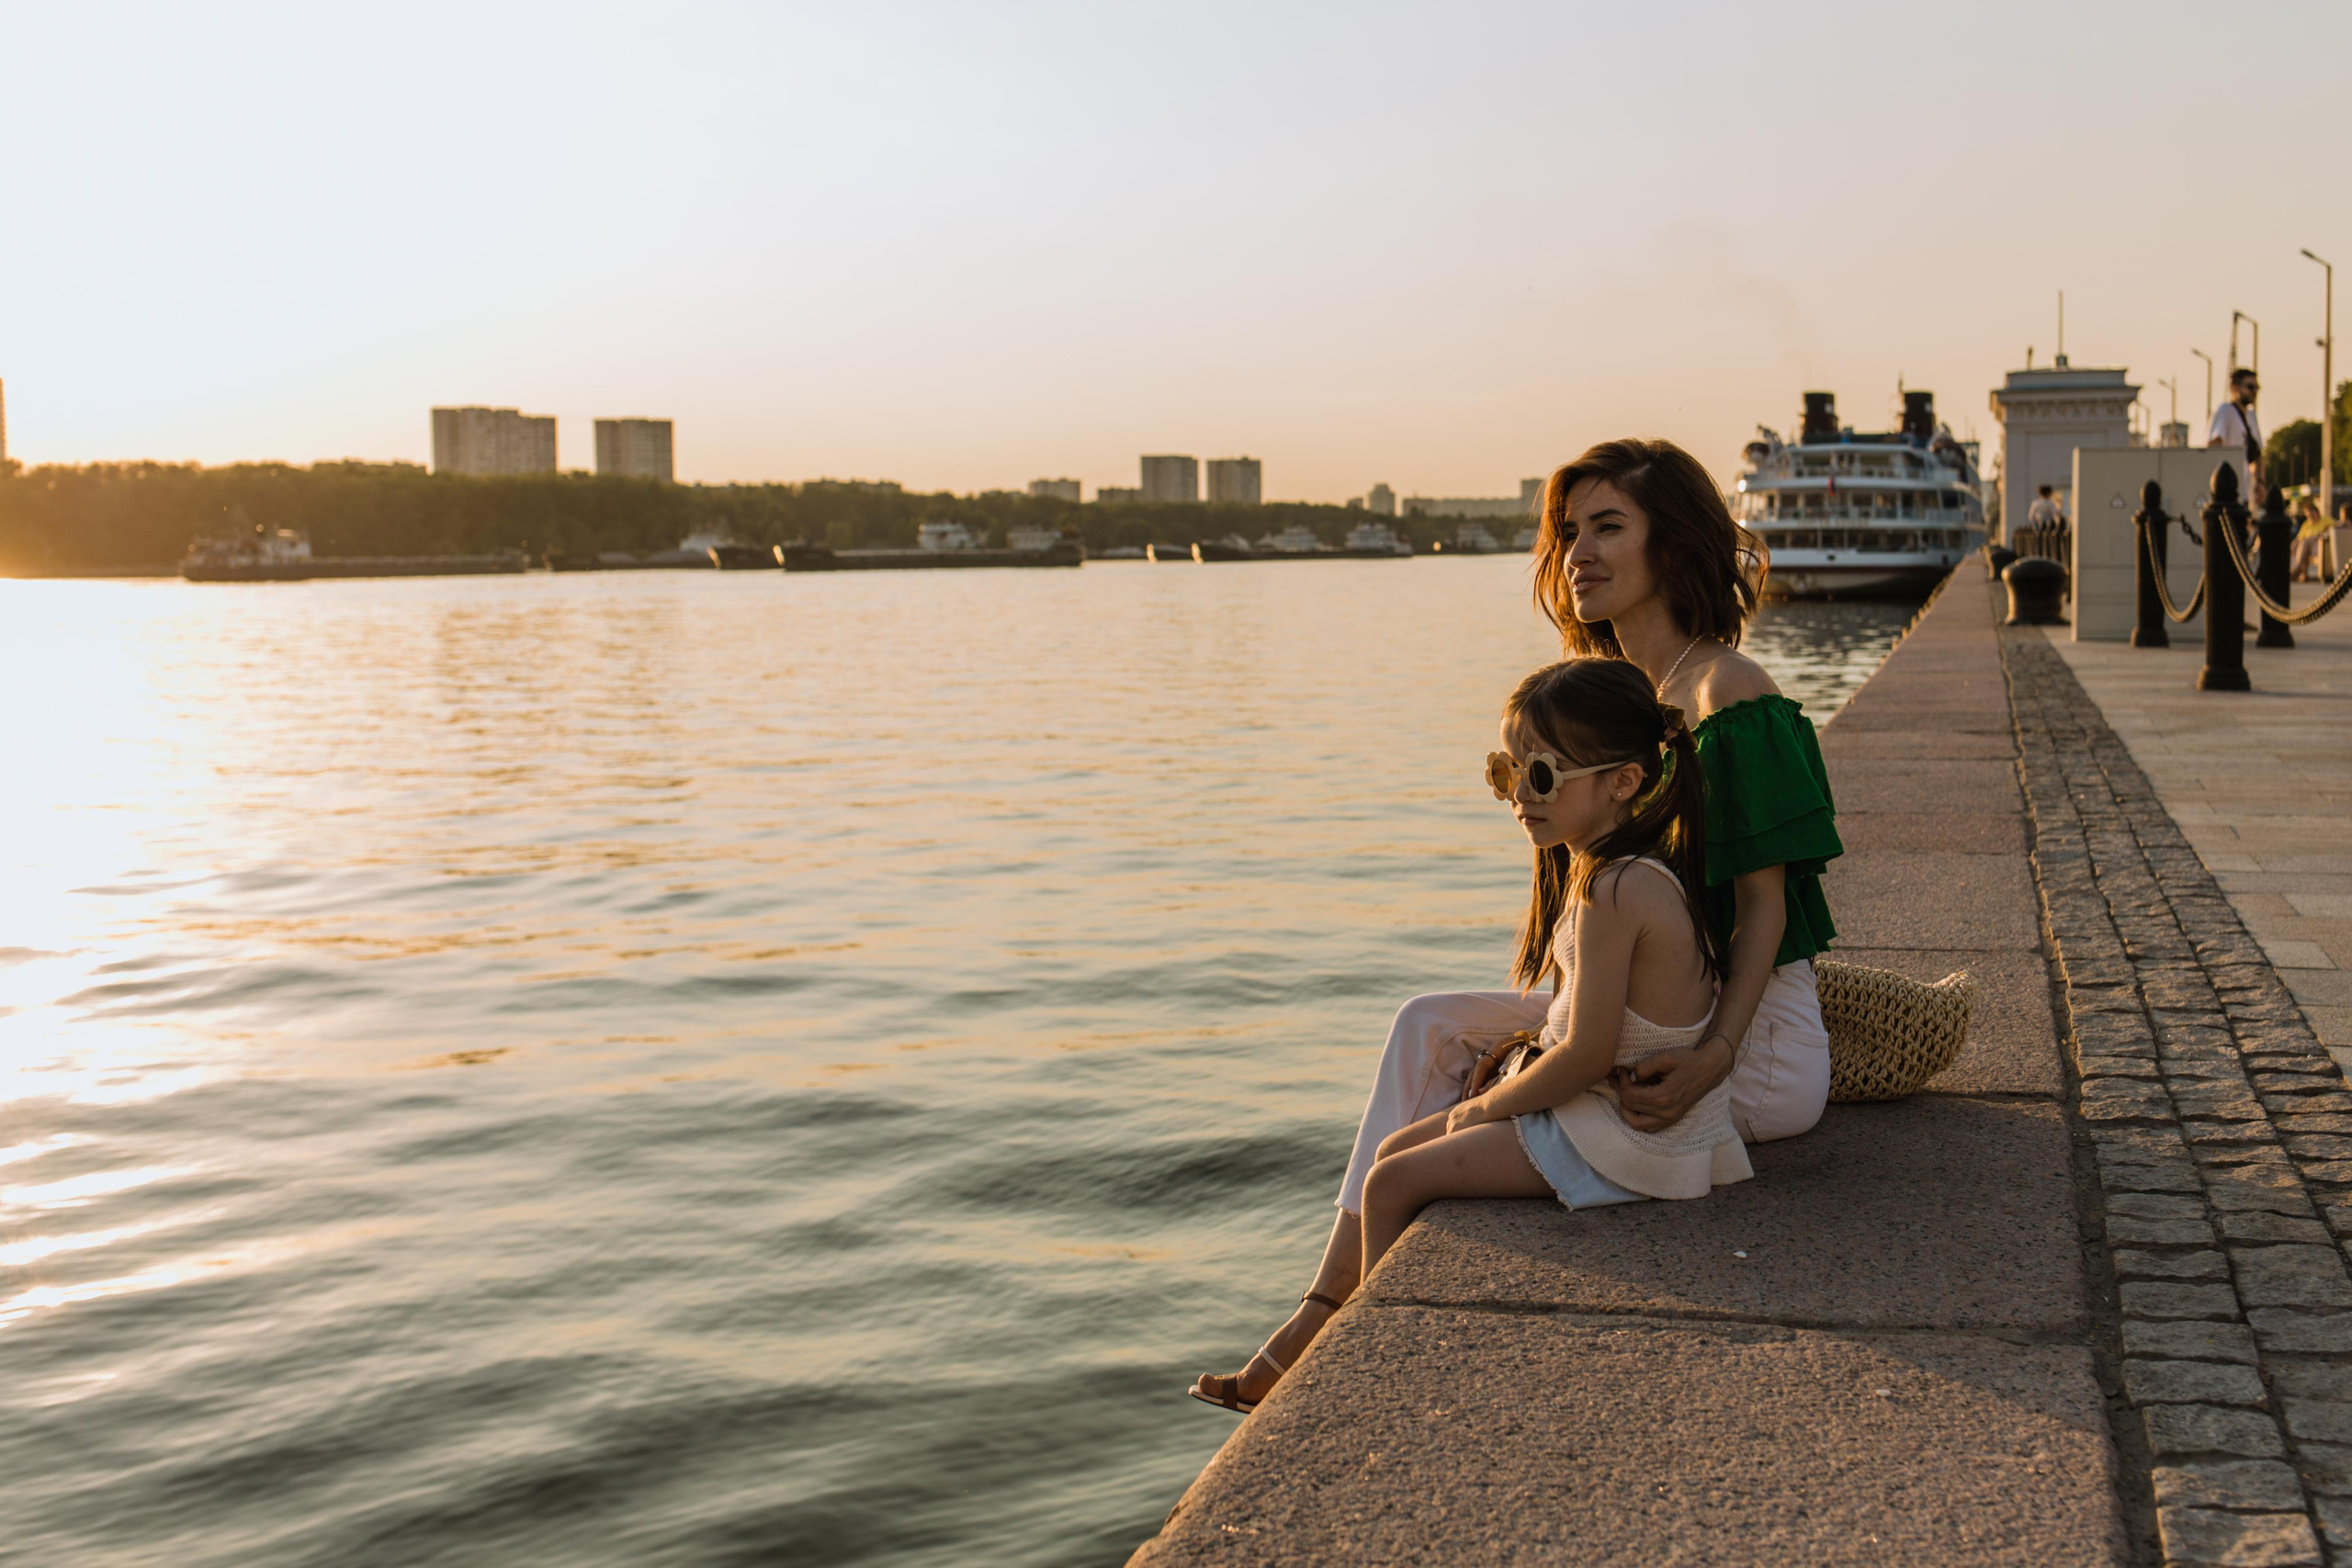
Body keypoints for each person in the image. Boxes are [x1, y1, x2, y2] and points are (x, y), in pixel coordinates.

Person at [1187, 437, 1840, 1414]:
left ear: (1675, 542)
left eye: (1608, 526)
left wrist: (1713, 1054)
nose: (1577, 550)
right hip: (1647, 1010)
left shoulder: (1727, 696)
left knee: (1457, 1080)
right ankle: (1324, 1301)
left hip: (1742, 1046)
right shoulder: (1605, 699)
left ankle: (1326, 1328)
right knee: (1426, 1023)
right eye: (1568, 531)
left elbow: (1762, 910)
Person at [1191, 660, 1745, 1414]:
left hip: (1627, 1138)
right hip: (1615, 1115)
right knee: (1392, 1148)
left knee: (1391, 1181)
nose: (1519, 794)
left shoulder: (1617, 888)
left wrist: (1485, 1109)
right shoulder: (1614, 872)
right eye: (1506, 771)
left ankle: (1365, 1374)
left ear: (1622, 782)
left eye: (1541, 776)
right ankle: (1330, 1339)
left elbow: (1586, 1051)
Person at [2210, 368, 2264, 500]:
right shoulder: (2225, 411)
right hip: (2226, 491)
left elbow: (2257, 455)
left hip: (2244, 490)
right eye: (2250, 387)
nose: (2254, 392)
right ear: (2235, 388)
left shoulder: (2251, 416)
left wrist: (2260, 482)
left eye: (2257, 387)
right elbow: (2213, 446)